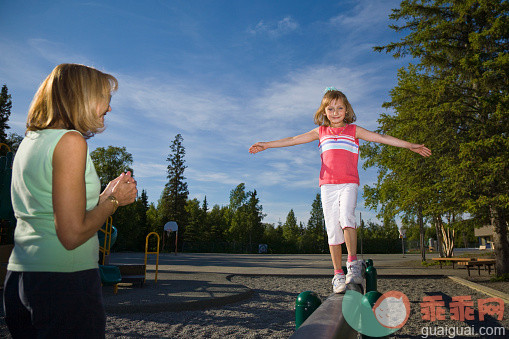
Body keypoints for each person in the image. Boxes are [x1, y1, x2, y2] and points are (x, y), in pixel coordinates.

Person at [249, 87, 431, 293]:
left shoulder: (354, 130)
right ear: (324, 112)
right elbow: (292, 140)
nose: (335, 112)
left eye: (340, 108)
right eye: (331, 109)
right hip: (328, 186)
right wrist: (267, 145)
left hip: (348, 183)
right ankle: (337, 274)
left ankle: (352, 264)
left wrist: (409, 145)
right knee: (333, 231)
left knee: (347, 217)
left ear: (347, 110)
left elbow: (381, 137)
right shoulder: (320, 132)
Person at [3, 63, 138, 337]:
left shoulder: (31, 140)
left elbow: (50, 208)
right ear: (82, 97)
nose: (109, 108)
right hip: (63, 281)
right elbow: (72, 233)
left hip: (20, 278)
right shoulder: (71, 141)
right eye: (106, 99)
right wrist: (114, 203)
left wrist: (104, 196)